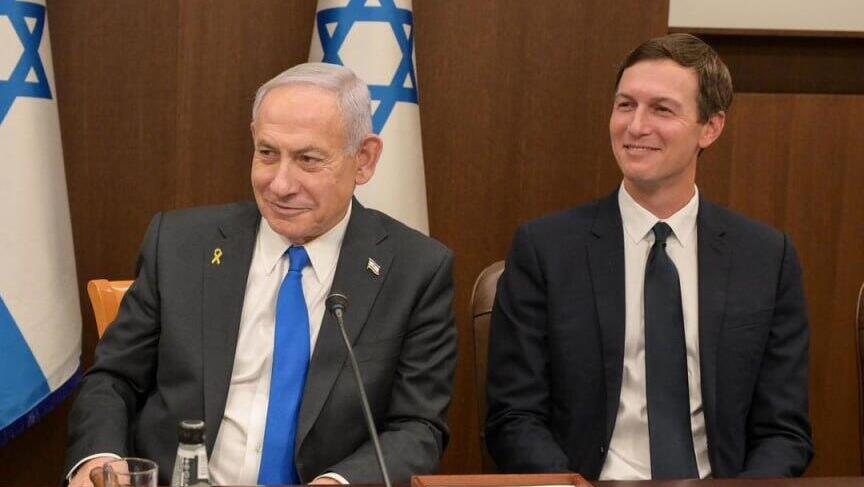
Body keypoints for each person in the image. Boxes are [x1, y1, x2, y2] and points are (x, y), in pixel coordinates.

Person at [66, 63, 457, 486]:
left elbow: (418, 428)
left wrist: (339, 484)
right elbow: (113, 379)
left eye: (308, 159)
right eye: (268, 153)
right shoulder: (180, 245)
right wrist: (98, 460)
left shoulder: (415, 269)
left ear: (363, 160)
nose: (280, 184)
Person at [485, 33, 813, 480]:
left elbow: (783, 431)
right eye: (625, 105)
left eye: (661, 109)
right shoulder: (545, 250)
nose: (636, 126)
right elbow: (514, 418)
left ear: (711, 127)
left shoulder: (765, 258)